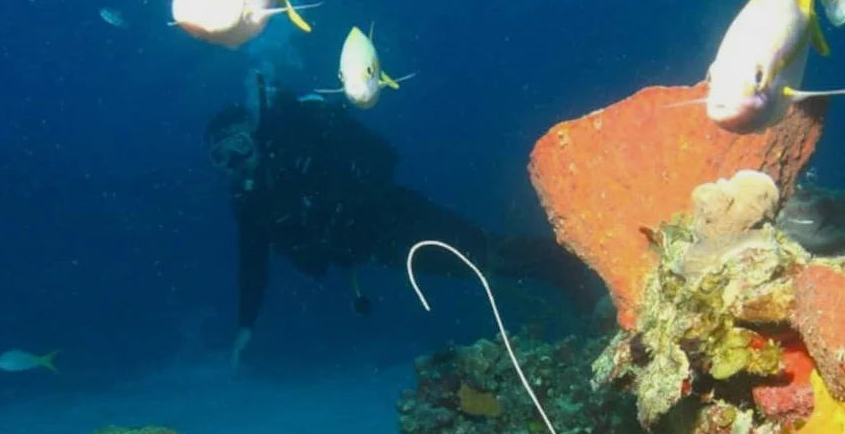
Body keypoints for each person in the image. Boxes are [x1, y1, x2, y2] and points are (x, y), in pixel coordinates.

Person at [207, 74, 600, 367]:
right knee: (484, 262)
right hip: (382, 249)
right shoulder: (251, 203)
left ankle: (577, 269)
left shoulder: (302, 136)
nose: (236, 161)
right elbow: (252, 261)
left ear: (254, 135)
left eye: (239, 145)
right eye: (222, 157)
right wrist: (246, 325)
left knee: (487, 255)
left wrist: (346, 200)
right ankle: (576, 276)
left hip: (398, 217)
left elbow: (380, 157)